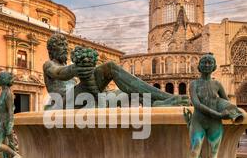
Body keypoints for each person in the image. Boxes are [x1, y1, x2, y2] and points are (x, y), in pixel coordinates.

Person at [43, 34, 190, 107]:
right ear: (52, 50)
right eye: (59, 47)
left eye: (64, 46)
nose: (64, 49)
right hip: (64, 102)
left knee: (125, 93)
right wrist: (77, 68)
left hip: (79, 97)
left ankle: (158, 103)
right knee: (110, 67)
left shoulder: (68, 65)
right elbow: (60, 74)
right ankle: (165, 96)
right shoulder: (49, 65)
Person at [182, 53, 244, 158]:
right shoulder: (194, 84)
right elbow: (197, 104)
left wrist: (231, 111)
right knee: (194, 151)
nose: (207, 65)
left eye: (210, 63)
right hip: (199, 121)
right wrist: (218, 114)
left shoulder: (217, 84)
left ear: (214, 66)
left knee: (214, 152)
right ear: (199, 66)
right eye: (204, 62)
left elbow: (226, 101)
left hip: (215, 124)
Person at [0, 71, 21, 158]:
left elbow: (10, 111)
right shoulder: (3, 92)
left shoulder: (8, 93)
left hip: (5, 122)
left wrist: (10, 125)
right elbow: (0, 111)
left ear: (4, 80)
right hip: (0, 121)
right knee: (6, 143)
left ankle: (15, 155)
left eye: (0, 77)